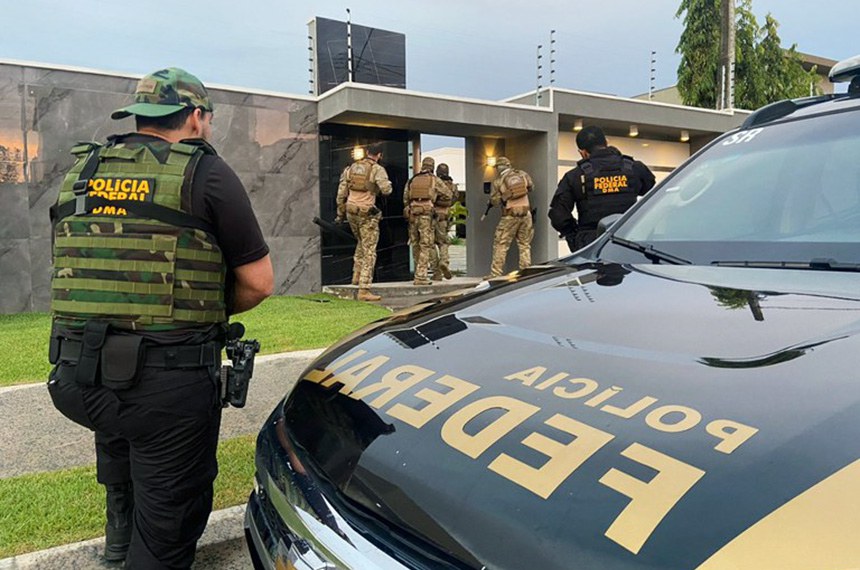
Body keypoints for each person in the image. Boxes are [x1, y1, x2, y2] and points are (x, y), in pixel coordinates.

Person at [46, 67, 274, 568]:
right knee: (170, 519)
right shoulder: (205, 172)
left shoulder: (84, 168)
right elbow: (259, 283)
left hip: (73, 376)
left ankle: (117, 546)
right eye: (208, 119)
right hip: (164, 386)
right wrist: (202, 308)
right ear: (194, 117)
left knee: (121, 437)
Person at [549, 125, 655, 251]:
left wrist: (575, 236)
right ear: (606, 142)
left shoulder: (575, 176)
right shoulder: (634, 168)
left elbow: (558, 214)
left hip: (591, 244)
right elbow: (655, 197)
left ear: (583, 152)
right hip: (629, 240)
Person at [336, 142, 393, 301]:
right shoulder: (377, 169)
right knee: (369, 250)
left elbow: (341, 193)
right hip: (367, 213)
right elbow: (387, 190)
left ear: (367, 152)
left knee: (361, 242)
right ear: (379, 155)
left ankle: (356, 275)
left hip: (351, 211)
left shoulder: (351, 168)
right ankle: (364, 289)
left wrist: (340, 214)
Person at [489, 156, 535, 277]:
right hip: (526, 214)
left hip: (510, 215)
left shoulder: (498, 181)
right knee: (524, 244)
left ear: (499, 167)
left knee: (501, 244)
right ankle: (525, 272)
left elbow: (495, 201)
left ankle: (496, 274)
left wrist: (504, 196)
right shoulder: (523, 174)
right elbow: (531, 187)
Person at [404, 156, 446, 285]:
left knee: (415, 244)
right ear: (432, 167)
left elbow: (405, 198)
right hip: (426, 216)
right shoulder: (434, 180)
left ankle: (418, 271)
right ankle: (421, 276)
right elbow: (447, 194)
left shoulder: (413, 179)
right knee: (425, 244)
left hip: (412, 215)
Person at [430, 162, 455, 280]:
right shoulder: (452, 185)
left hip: (431, 216)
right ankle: (444, 261)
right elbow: (453, 200)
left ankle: (436, 273)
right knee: (443, 243)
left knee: (430, 244)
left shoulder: (434, 182)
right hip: (444, 217)